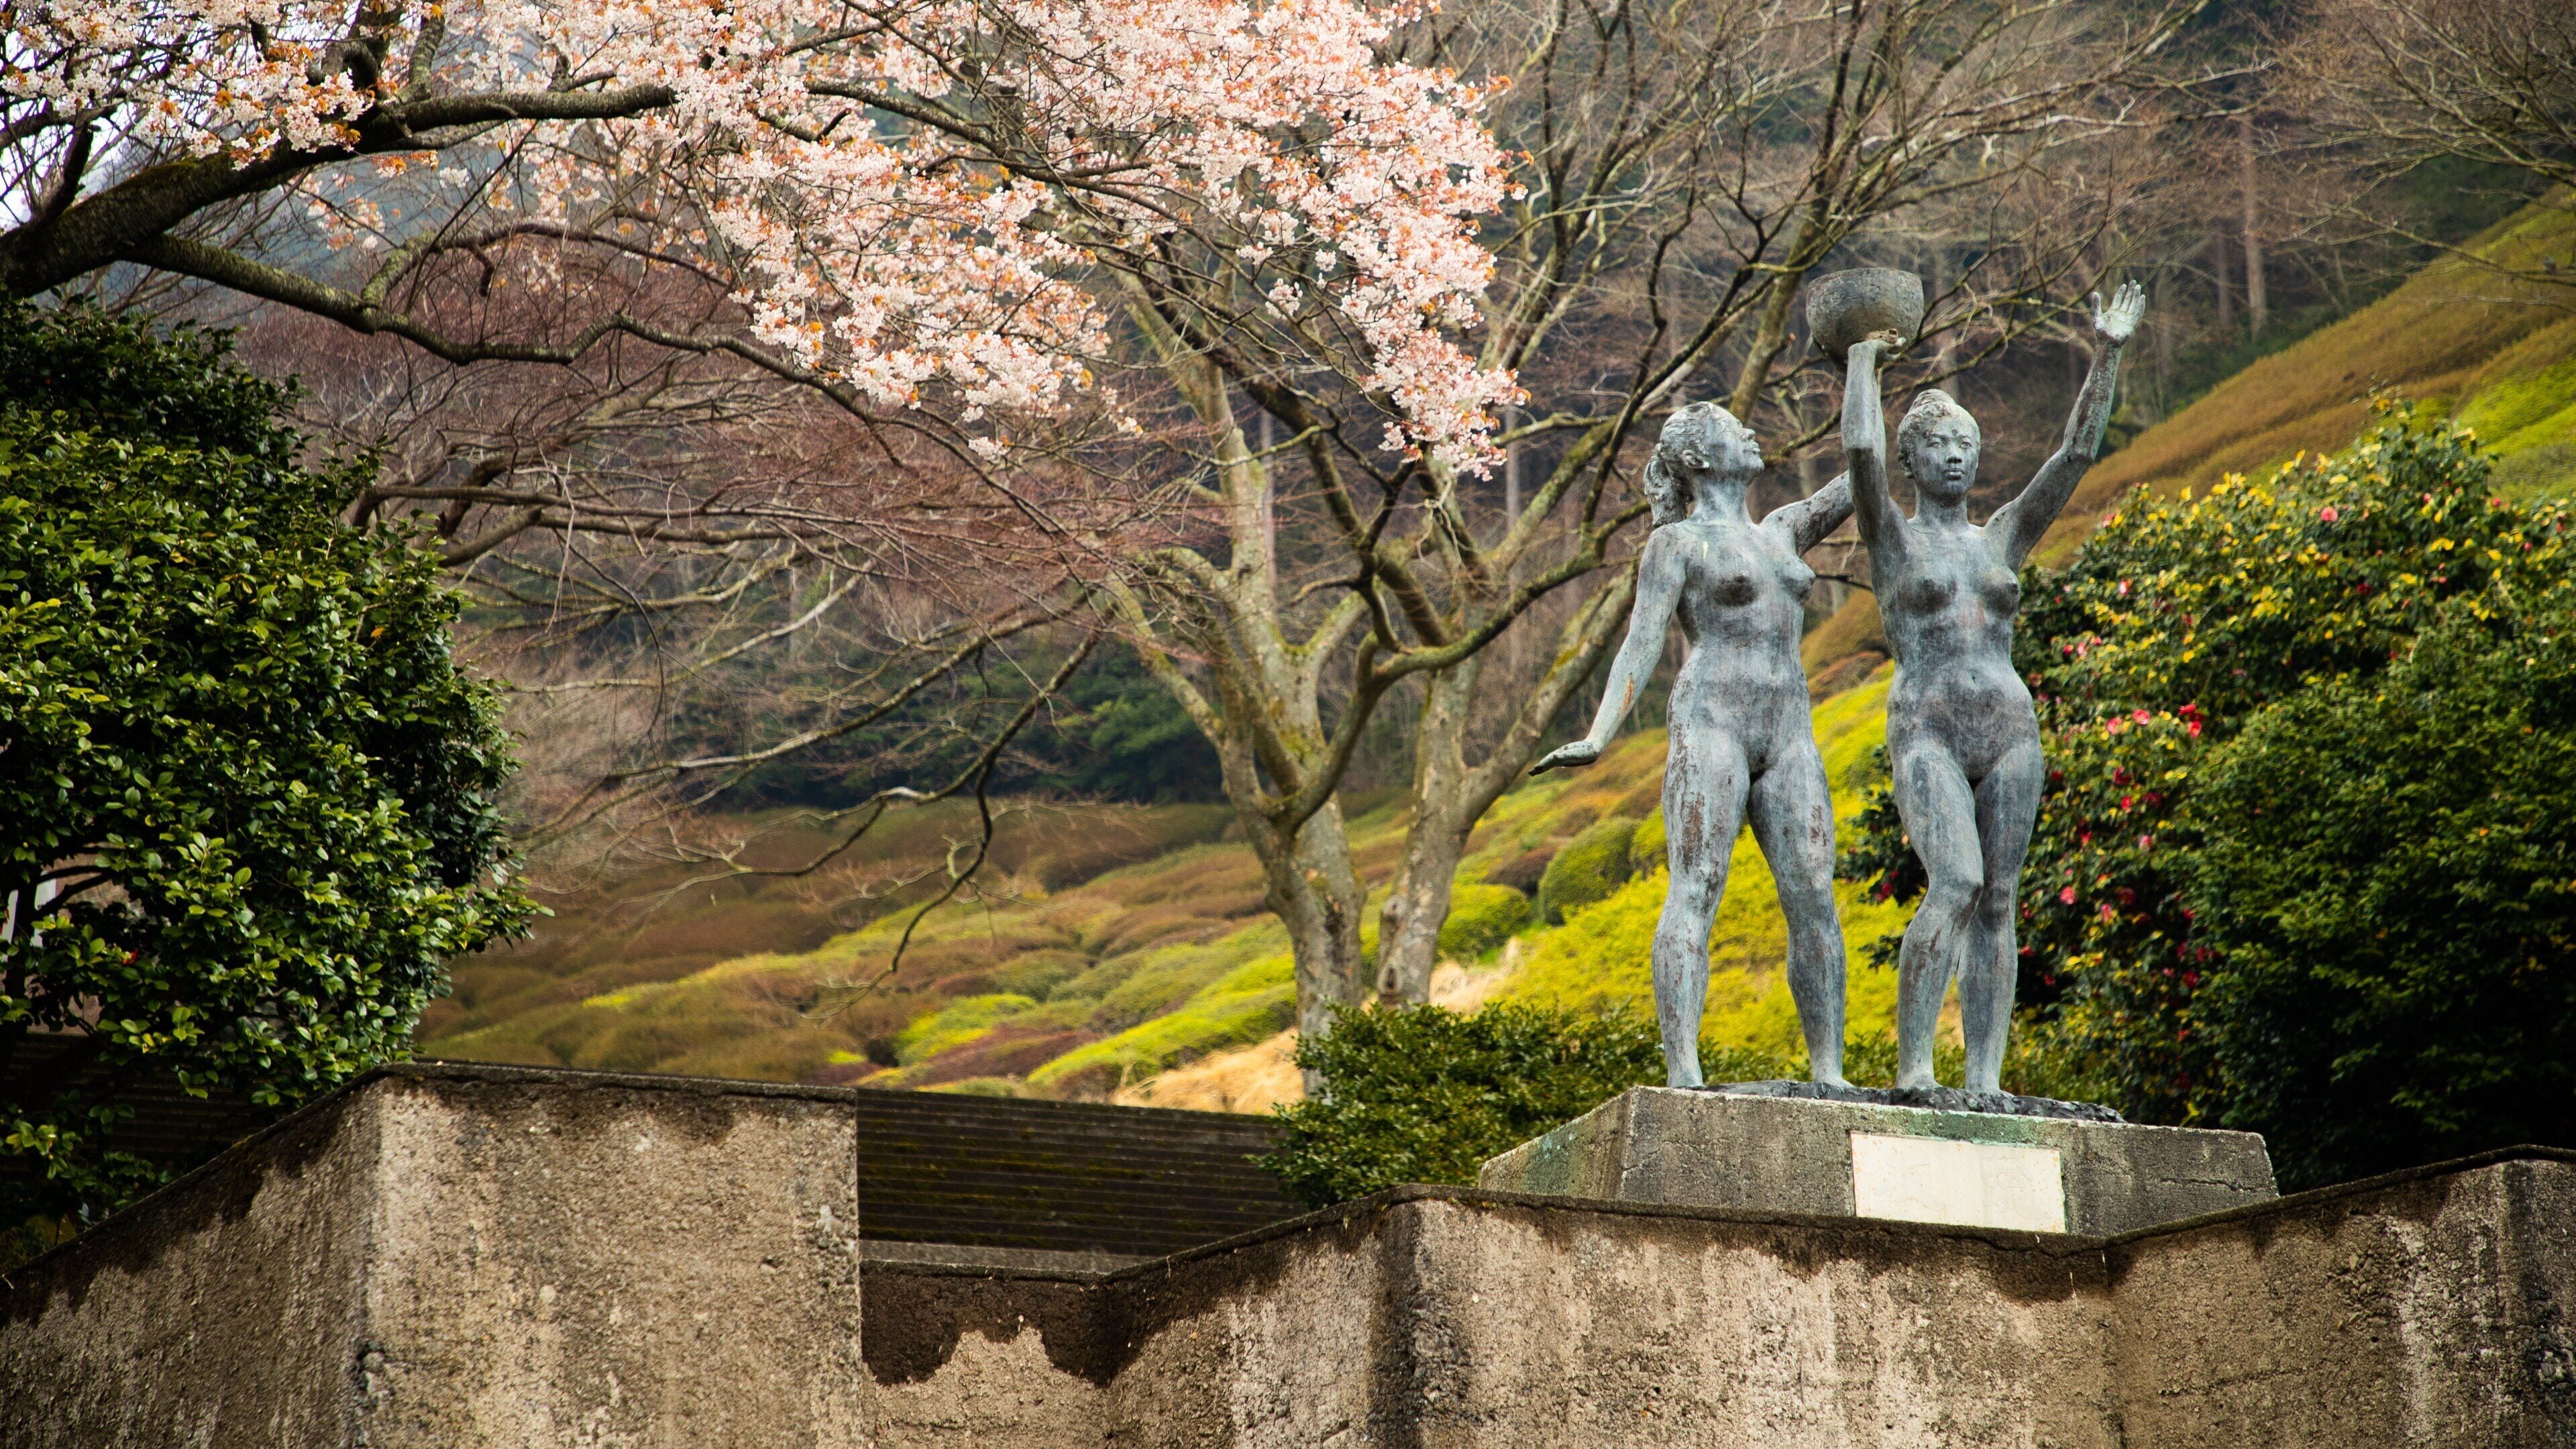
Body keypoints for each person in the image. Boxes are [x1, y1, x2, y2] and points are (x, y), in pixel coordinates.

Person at [1839, 281, 2146, 1093]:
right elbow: (1861, 455)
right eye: (1938, 444)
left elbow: (2073, 458)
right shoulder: (1893, 540)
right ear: (1912, 461)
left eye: (1965, 443)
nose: (1955, 455)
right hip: (1929, 728)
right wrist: (1864, 364)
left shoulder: (2002, 537)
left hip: (2010, 728)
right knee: (1957, 882)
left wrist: (2107, 353)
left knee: (2001, 898)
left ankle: (1984, 1081)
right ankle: (1914, 1068)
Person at [1532, 402, 1854, 1089]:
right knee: (1699, 884)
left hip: (1789, 730)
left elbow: (1861, 473)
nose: (1751, 431)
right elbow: (1642, 641)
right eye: (1734, 428)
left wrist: (1862, 367)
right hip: (1712, 722)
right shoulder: (1675, 544)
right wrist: (1598, 735)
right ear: (1700, 459)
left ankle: (1830, 1071)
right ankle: (1684, 1071)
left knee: (1813, 895)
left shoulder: (1783, 529)